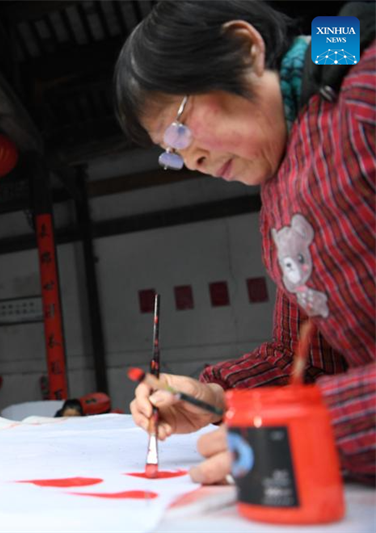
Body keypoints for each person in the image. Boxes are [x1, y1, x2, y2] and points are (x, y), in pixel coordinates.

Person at [114, 0, 376, 485]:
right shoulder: (279, 188)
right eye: (171, 154)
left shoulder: (362, 95)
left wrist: (326, 431)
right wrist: (214, 397)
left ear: (242, 48)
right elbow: (305, 359)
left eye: (179, 126)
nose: (189, 160)